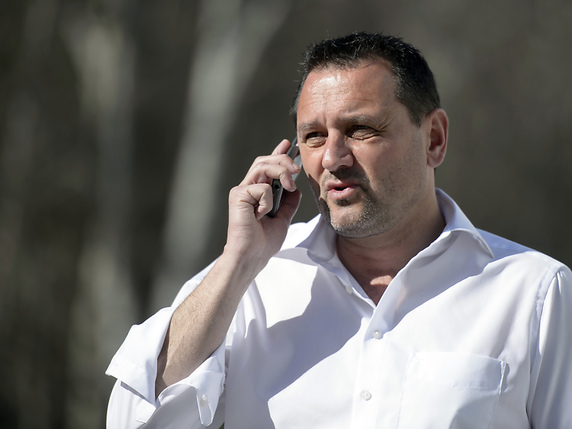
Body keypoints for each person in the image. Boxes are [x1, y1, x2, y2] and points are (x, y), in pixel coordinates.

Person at [106, 32, 572, 428]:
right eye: (312, 137)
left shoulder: (535, 292)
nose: (332, 158)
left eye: (362, 129)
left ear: (433, 139)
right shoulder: (250, 285)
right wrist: (237, 261)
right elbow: (135, 416)